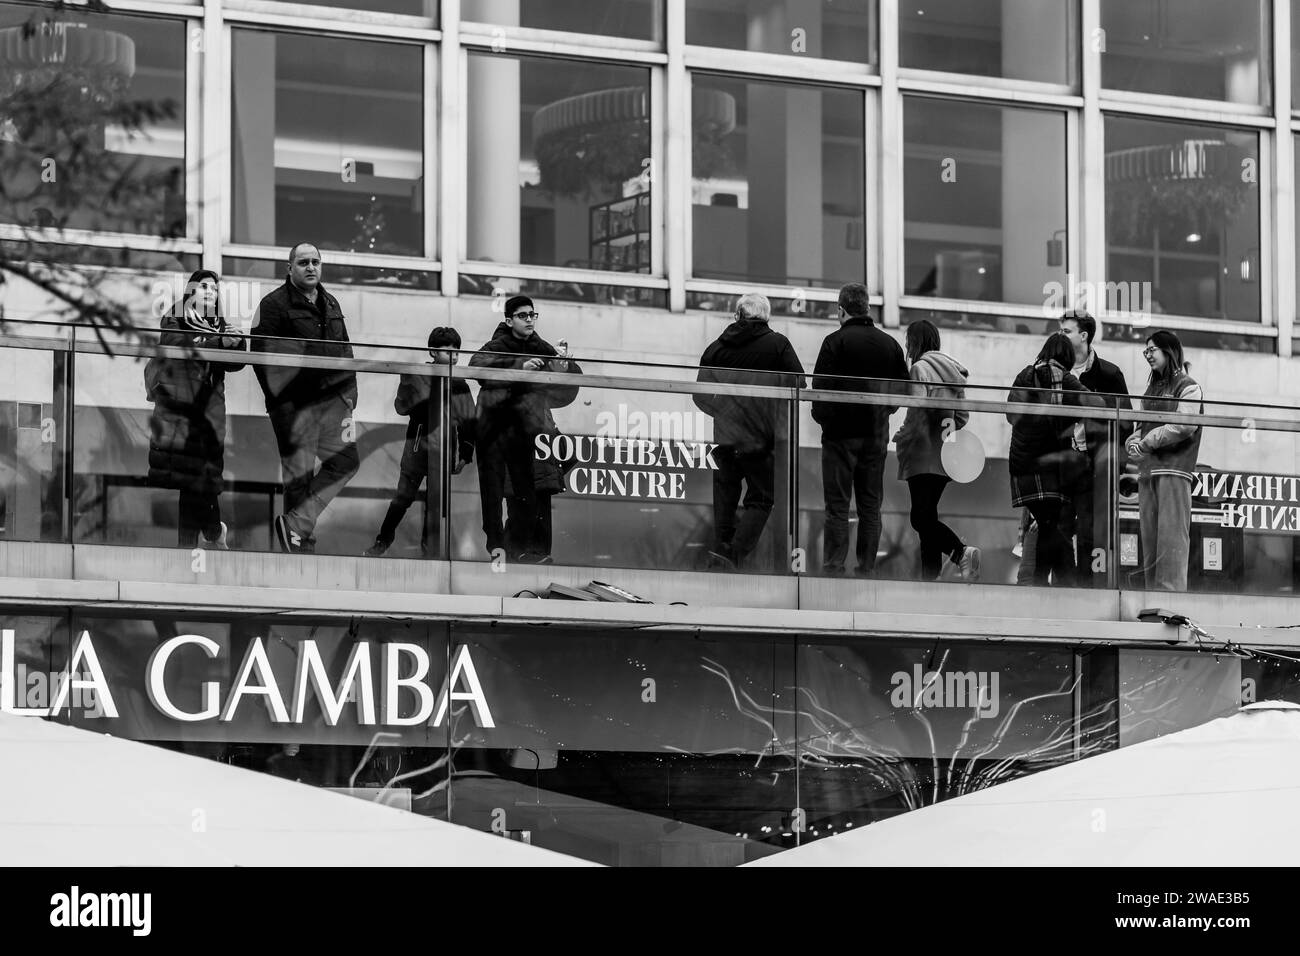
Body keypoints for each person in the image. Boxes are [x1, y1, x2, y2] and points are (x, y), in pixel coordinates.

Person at [251, 242, 360, 554]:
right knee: (298, 478)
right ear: (290, 268)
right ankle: (298, 544)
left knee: (346, 462)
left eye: (315, 262)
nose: (311, 267)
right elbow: (262, 359)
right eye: (303, 263)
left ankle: (297, 526)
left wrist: (350, 394)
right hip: (295, 407)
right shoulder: (273, 304)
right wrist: (282, 404)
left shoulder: (331, 302)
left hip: (334, 402)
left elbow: (346, 351)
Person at [694, 292, 806, 571]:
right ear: (766, 317)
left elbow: (699, 394)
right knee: (761, 498)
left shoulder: (716, 348)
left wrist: (722, 412)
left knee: (725, 498)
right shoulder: (778, 345)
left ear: (737, 315)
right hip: (760, 438)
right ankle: (734, 555)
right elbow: (799, 384)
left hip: (725, 437)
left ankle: (721, 550)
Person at [470, 295, 582, 564]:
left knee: (539, 497)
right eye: (523, 315)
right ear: (509, 320)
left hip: (538, 436)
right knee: (517, 499)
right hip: (507, 436)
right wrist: (520, 367)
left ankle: (535, 554)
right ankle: (514, 554)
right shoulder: (497, 346)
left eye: (533, 314)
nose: (530, 319)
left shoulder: (541, 346)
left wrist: (564, 364)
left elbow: (573, 376)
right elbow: (476, 368)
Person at [811, 282, 909, 576]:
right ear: (867, 308)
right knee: (870, 506)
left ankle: (833, 565)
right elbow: (902, 391)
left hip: (839, 437)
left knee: (838, 506)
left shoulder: (833, 343)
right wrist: (883, 412)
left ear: (841, 311)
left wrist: (825, 420)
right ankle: (866, 567)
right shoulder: (889, 345)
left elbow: (820, 391)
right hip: (874, 437)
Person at [144, 269, 246, 549]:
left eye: (214, 289)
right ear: (191, 292)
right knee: (192, 481)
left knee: (202, 479)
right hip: (180, 413)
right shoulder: (175, 318)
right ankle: (203, 539)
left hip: (209, 415)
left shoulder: (219, 324)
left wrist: (237, 342)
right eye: (203, 287)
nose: (210, 293)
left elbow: (237, 363)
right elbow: (179, 349)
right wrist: (220, 342)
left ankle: (207, 536)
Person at [365, 328, 476, 558]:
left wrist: (465, 453)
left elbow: (469, 421)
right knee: (403, 497)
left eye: (457, 352)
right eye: (448, 352)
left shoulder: (459, 384)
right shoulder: (418, 375)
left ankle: (430, 550)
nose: (454, 357)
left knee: (436, 502)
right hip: (417, 446)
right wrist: (409, 383)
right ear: (433, 351)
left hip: (444, 450)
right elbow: (402, 407)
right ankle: (383, 540)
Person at [1007, 332, 1103, 586]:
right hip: (1048, 466)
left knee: (1048, 525)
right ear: (1067, 357)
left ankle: (1041, 582)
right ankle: (1068, 583)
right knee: (1051, 526)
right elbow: (1098, 403)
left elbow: (1010, 414)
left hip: (1021, 464)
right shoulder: (1066, 379)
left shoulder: (1025, 375)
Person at [891, 320, 980, 581]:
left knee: (920, 518)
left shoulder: (920, 368)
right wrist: (946, 433)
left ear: (915, 342)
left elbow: (916, 411)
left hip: (921, 452)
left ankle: (960, 552)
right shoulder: (954, 371)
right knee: (927, 515)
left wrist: (902, 435)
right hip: (945, 455)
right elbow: (962, 416)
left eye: (909, 342)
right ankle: (930, 578)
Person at [1059, 310, 1133, 585]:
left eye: (1066, 331)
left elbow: (1125, 424)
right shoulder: (1055, 371)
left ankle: (1085, 587)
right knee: (1060, 528)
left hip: (1094, 466)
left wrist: (1115, 465)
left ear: (1084, 335)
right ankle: (1065, 589)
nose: (1061, 336)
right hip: (1061, 462)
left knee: (1089, 531)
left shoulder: (1109, 375)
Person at [1127, 330, 1202, 591]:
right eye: (1145, 351)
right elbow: (1141, 427)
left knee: (1171, 544)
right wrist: (1133, 441)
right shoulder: (1151, 389)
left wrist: (1145, 441)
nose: (1147, 355)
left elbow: (1184, 426)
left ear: (1168, 351)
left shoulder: (1188, 386)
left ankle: (1170, 604)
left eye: (1152, 350)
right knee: (1150, 544)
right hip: (1149, 473)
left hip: (1175, 470)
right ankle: (1152, 602)